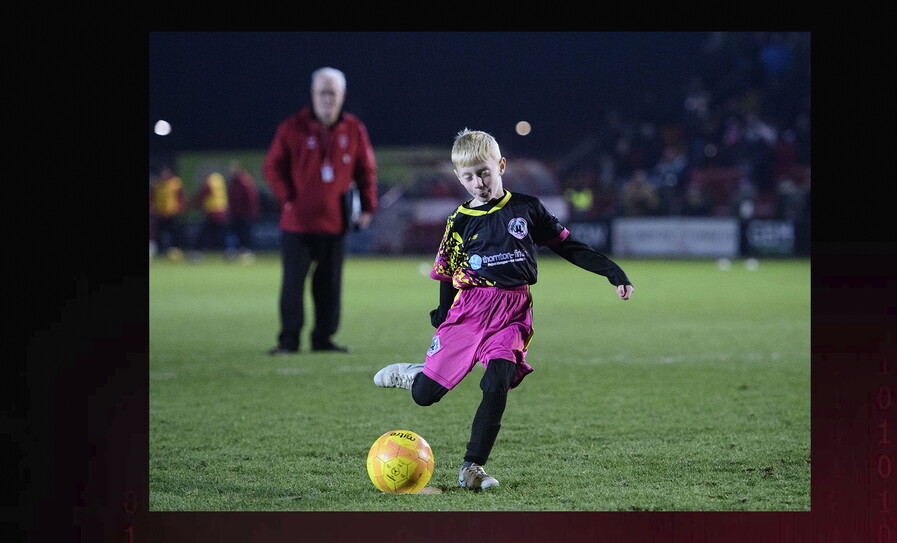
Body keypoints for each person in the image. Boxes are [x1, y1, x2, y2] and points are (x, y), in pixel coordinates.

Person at [373, 128, 634, 491]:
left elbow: (569, 246)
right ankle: (416, 375)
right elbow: (446, 273)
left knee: (497, 381)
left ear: (501, 165)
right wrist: (443, 312)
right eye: (468, 176)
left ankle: (472, 467)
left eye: (484, 172)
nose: (478, 182)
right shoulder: (459, 222)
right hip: (469, 311)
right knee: (425, 397)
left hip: (512, 312)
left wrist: (611, 271)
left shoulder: (526, 208)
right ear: (457, 177)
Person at [262, 66, 379, 355]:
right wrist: (288, 198)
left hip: (335, 222)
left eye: (333, 93)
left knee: (329, 286)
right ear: (313, 94)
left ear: (342, 96)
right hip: (297, 224)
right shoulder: (292, 127)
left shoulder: (354, 129)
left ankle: (323, 339)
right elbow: (271, 167)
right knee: (292, 286)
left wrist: (367, 206)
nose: (327, 98)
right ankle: (288, 341)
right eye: (322, 92)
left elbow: (367, 170)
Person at [189, 171, 229, 261]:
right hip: (222, 212)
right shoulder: (219, 180)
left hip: (213, 213)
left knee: (204, 233)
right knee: (220, 234)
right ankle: (229, 252)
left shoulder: (209, 183)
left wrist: (192, 204)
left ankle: (196, 252)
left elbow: (201, 195)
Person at [226, 159, 261, 262]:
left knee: (246, 234)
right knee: (234, 233)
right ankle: (234, 252)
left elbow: (252, 198)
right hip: (235, 213)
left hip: (246, 213)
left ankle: (248, 253)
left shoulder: (245, 181)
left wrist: (252, 212)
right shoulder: (232, 182)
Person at [150, 166, 187, 261]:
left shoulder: (176, 183)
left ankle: (176, 251)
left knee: (174, 234)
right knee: (159, 234)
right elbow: (153, 197)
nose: (164, 175)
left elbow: (181, 197)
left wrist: (181, 208)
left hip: (173, 213)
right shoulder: (157, 184)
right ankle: (160, 252)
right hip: (160, 214)